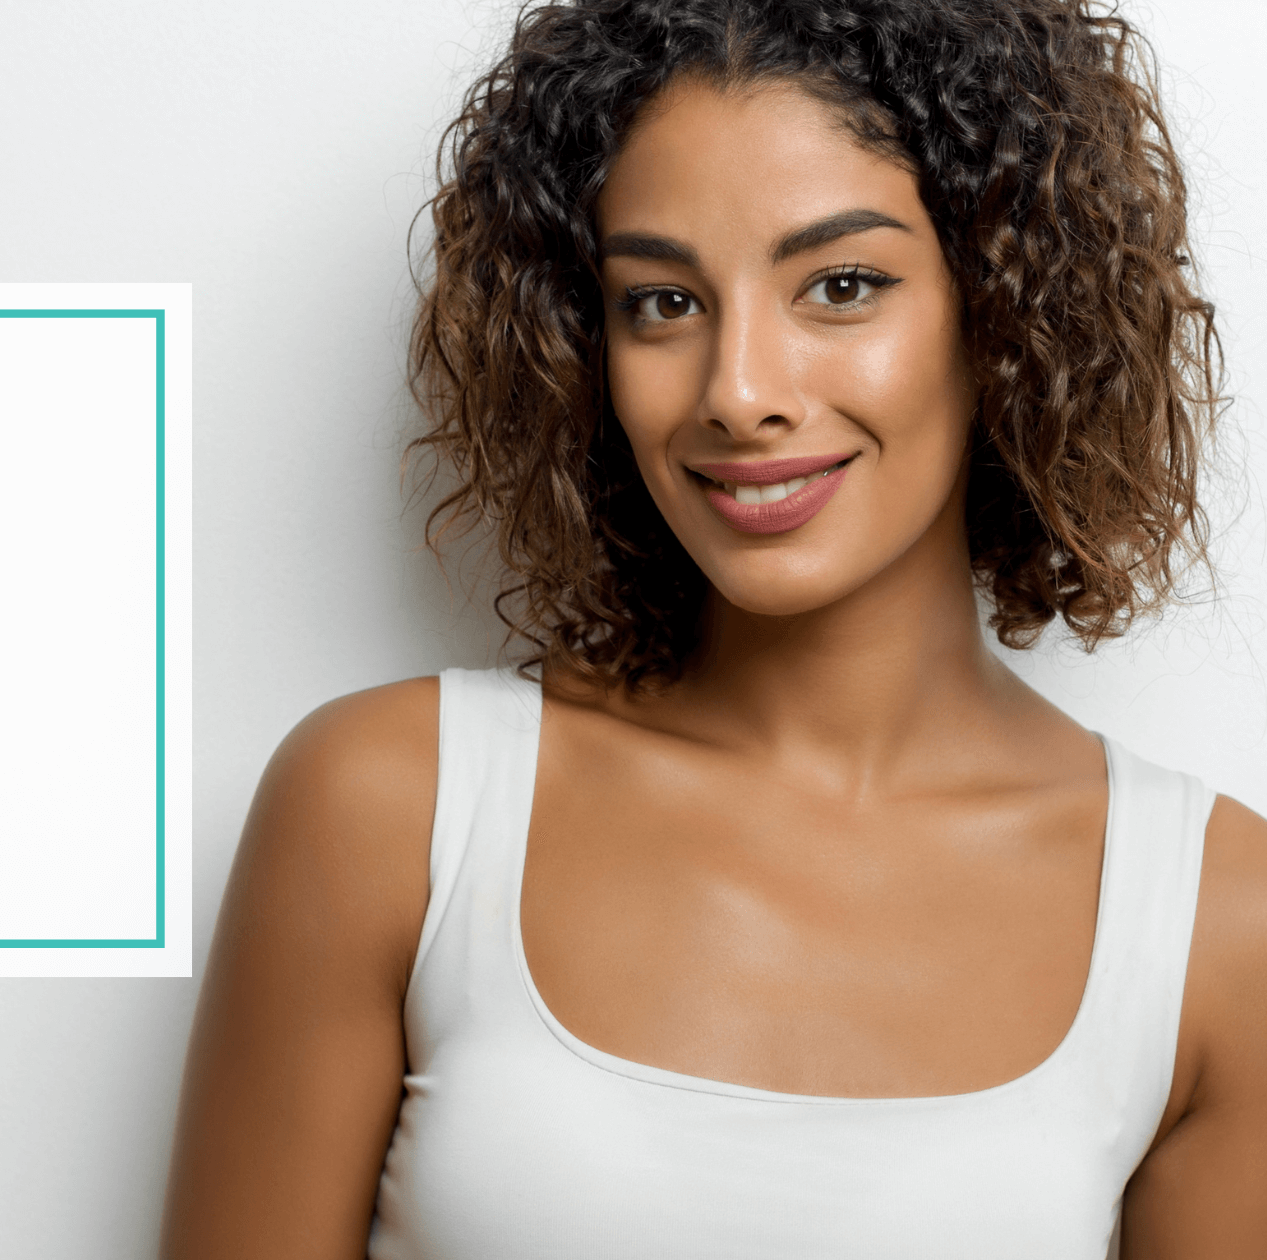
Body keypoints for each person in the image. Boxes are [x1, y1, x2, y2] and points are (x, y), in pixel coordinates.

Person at [160, 0, 1267, 1256]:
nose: (738, 393)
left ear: (1004, 310)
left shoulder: (1215, 926)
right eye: (662, 303)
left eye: (840, 286)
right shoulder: (388, 810)